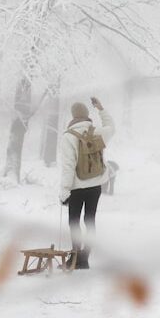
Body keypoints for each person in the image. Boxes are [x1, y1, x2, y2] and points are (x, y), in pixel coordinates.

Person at [60, 97, 115, 269]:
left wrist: (64, 191)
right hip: (96, 186)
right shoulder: (97, 131)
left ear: (73, 116)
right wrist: (101, 109)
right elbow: (112, 128)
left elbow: (68, 166)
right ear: (86, 114)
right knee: (90, 220)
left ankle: (74, 259)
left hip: (77, 187)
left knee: (74, 222)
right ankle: (85, 258)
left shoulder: (68, 136)